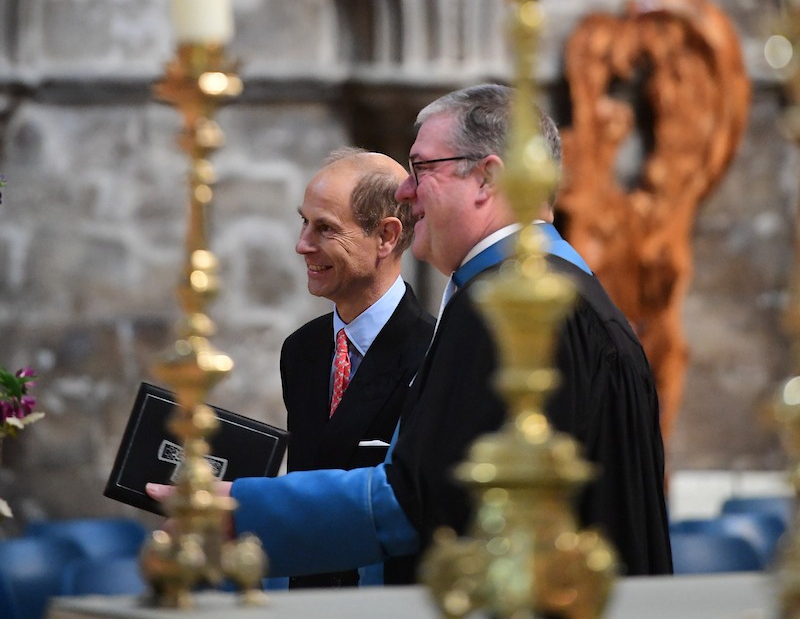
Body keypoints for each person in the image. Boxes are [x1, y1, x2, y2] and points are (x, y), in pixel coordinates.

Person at [148, 83, 672, 581]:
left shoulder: (506, 304)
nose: (405, 189)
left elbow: (418, 501)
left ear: (487, 179)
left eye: (421, 169)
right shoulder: (569, 290)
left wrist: (244, 511)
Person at [281, 148, 434, 588]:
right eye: (304, 222)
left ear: (386, 237)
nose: (302, 244)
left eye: (325, 228)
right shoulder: (302, 350)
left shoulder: (432, 354)